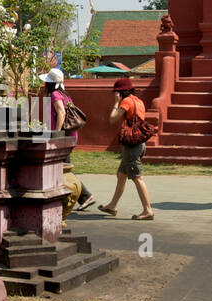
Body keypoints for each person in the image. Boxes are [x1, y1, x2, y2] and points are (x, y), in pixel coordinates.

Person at [39, 68, 95, 213]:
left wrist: (57, 135)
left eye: (46, 81)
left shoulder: (55, 95)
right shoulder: (65, 95)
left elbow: (61, 113)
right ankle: (79, 196)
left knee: (63, 169)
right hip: (70, 136)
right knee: (62, 167)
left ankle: (85, 196)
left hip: (63, 138)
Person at [99, 77, 155, 220]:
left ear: (121, 92)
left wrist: (116, 103)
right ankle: (112, 205)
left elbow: (112, 119)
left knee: (137, 177)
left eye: (116, 92)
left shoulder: (126, 102)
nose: (115, 94)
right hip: (140, 144)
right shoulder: (139, 101)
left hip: (132, 146)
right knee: (121, 175)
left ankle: (148, 210)